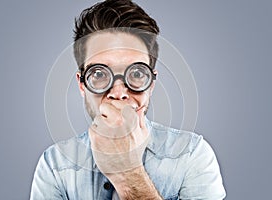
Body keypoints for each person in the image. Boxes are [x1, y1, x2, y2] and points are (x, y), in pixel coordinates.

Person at [30, 0, 226, 199]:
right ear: (82, 84)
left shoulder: (192, 154)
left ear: (151, 83)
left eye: (137, 73)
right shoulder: (54, 164)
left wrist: (128, 173)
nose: (119, 92)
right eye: (98, 74)